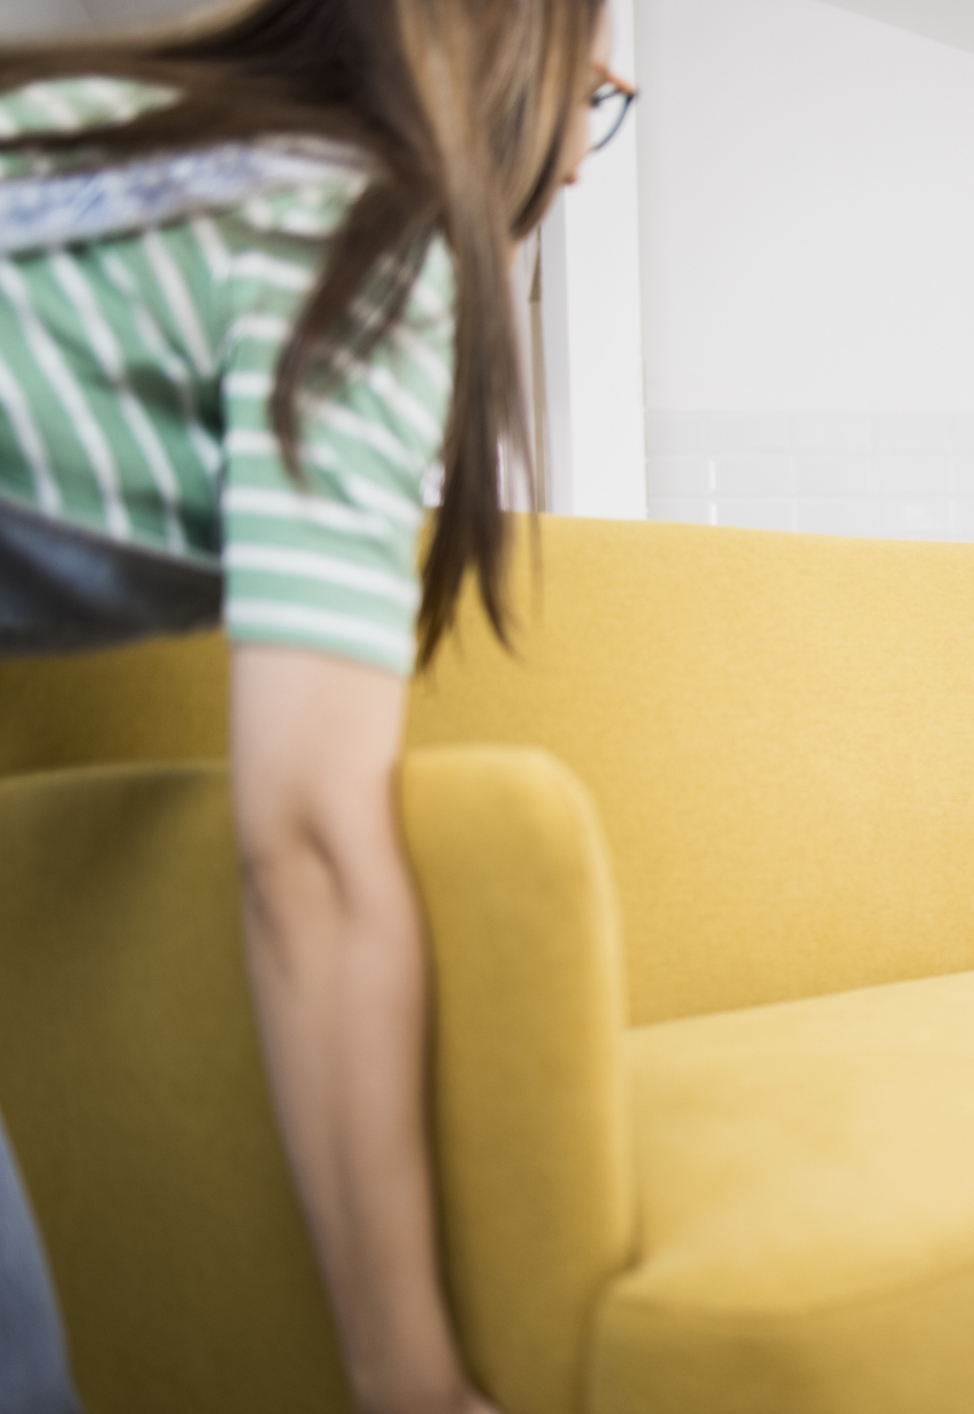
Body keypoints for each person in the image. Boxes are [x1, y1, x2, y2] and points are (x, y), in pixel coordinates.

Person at [0, 3, 634, 1411]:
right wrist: (408, 1373)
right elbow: (312, 842)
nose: (604, 101)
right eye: (589, 46)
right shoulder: (348, 230)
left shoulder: (165, 151)